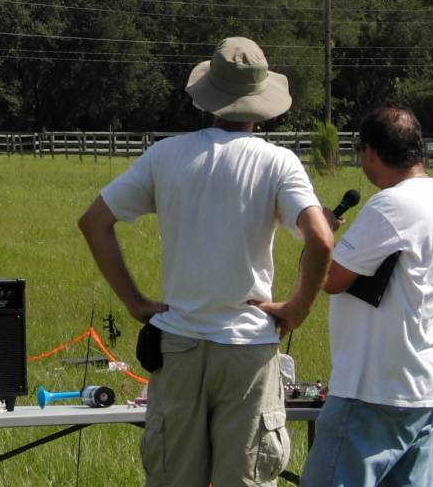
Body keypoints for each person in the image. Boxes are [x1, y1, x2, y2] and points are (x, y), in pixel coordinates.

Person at [78, 36, 334, 487]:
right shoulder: (279, 162)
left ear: (209, 96)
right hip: (248, 351)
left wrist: (137, 303)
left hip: (179, 345)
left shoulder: (166, 155)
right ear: (262, 101)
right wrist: (296, 309)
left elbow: (94, 221)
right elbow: (321, 238)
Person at [301, 104, 433, 487]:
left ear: (372, 153)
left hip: (375, 386)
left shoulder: (392, 204)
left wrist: (319, 236)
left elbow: (330, 279)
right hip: (424, 384)